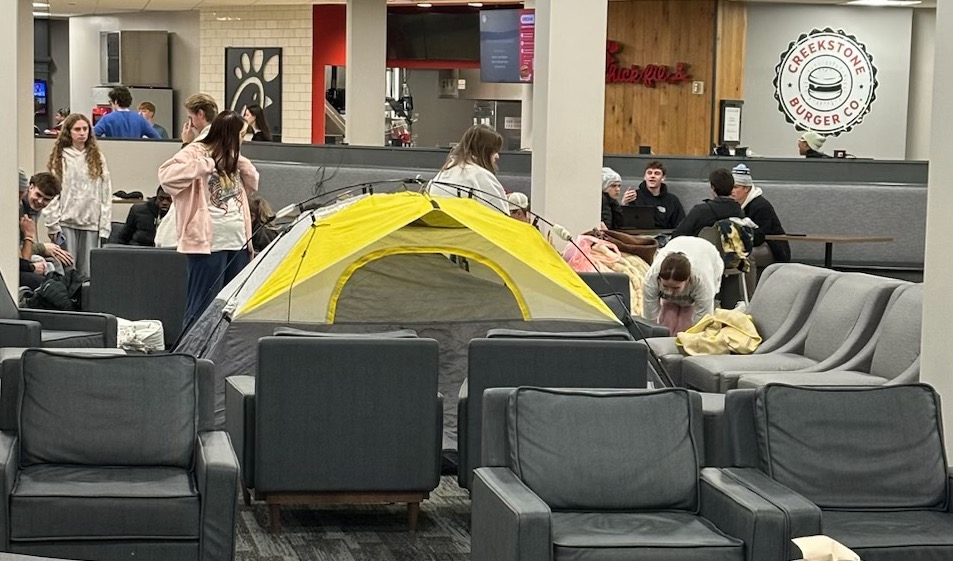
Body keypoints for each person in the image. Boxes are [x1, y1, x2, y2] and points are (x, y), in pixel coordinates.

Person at [158, 111, 259, 327]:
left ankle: (220, 348)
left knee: (231, 307)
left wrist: (240, 162)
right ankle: (192, 347)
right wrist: (206, 164)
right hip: (209, 243)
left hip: (238, 241)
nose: (243, 140)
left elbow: (252, 185)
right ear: (229, 134)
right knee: (202, 307)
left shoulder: (233, 156)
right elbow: (166, 176)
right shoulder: (197, 150)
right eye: (241, 135)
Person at [45, 113, 112, 277]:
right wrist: (52, 224)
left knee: (87, 273)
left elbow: (105, 192)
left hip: (91, 223)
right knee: (67, 271)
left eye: (85, 129)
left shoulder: (97, 158)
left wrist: (104, 226)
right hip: (66, 222)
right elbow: (52, 192)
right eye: (77, 129)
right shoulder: (60, 157)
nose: (82, 133)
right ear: (69, 132)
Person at [642, 236, 724, 334]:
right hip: (677, 243)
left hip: (707, 254)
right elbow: (649, 318)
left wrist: (692, 338)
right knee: (667, 316)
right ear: (659, 279)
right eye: (665, 286)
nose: (669, 292)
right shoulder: (651, 278)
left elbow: (703, 321)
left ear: (688, 279)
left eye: (675, 288)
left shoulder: (702, 282)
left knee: (688, 320)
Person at [428, 124, 508, 214]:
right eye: (494, 151)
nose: (497, 156)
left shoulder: (442, 174)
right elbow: (501, 217)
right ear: (484, 151)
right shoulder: (481, 176)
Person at [18, 171, 73, 289]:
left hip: (24, 256)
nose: (40, 201)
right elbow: (21, 254)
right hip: (18, 262)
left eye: (46, 199)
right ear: (30, 187)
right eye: (38, 195)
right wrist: (42, 248)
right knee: (46, 268)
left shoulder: (34, 210)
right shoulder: (20, 209)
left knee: (60, 260)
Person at [730, 163, 791, 265]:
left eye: (735, 187)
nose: (731, 191)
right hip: (753, 243)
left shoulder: (760, 206)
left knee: (742, 255)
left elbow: (759, 237)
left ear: (746, 188)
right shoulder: (736, 205)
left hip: (772, 248)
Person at [671, 168, 744, 238]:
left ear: (713, 188)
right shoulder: (739, 212)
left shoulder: (699, 211)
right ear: (731, 188)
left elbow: (678, 235)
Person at [623, 160, 686, 229]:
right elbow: (623, 224)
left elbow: (681, 226)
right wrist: (624, 204)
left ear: (663, 178)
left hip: (664, 234)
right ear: (645, 177)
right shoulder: (633, 196)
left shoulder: (672, 200)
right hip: (639, 234)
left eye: (657, 173)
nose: (652, 176)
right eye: (649, 173)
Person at [92, 86, 160, 139]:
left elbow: (92, 136)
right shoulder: (140, 119)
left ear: (115, 101)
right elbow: (157, 138)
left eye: (110, 102)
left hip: (114, 151)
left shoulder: (107, 119)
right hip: (135, 151)